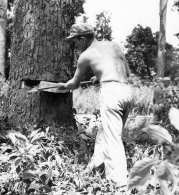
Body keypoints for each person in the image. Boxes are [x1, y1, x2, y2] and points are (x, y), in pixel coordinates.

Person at [57, 23, 133, 187]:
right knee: (104, 134)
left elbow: (75, 84)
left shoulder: (86, 55)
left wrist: (63, 85)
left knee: (113, 140)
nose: (74, 45)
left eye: (75, 41)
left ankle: (119, 184)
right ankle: (95, 168)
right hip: (127, 92)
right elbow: (126, 73)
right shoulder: (114, 45)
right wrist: (99, 78)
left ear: (83, 39)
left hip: (111, 94)